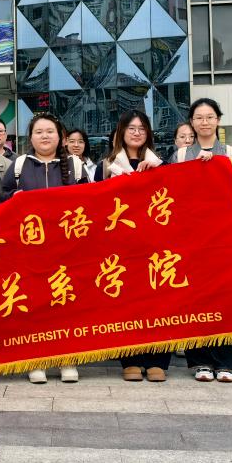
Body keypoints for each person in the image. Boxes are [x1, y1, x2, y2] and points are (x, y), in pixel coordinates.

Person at [170, 98, 232, 383]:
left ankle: (227, 362)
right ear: (192, 122)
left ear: (218, 120)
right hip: (191, 241)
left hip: (227, 240)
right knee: (196, 299)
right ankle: (201, 361)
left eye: (209, 117)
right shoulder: (181, 156)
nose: (204, 122)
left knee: (228, 298)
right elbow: (167, 193)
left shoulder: (231, 154)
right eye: (199, 117)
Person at [2, 112, 88, 384]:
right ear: (31, 138)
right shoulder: (19, 165)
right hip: (30, 251)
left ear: (60, 137)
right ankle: (35, 360)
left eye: (50, 131)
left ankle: (67, 359)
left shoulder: (74, 165)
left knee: (64, 304)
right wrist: (12, 199)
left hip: (66, 249)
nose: (44, 136)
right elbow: (0, 199)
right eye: (39, 132)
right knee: (34, 305)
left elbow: (91, 201)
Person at [93, 111, 169, 382]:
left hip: (154, 244)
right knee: (127, 303)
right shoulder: (106, 166)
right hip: (121, 245)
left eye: (142, 128)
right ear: (121, 132)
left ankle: (157, 359)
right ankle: (131, 359)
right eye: (131, 128)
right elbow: (95, 204)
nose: (137, 133)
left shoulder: (161, 164)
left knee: (157, 302)